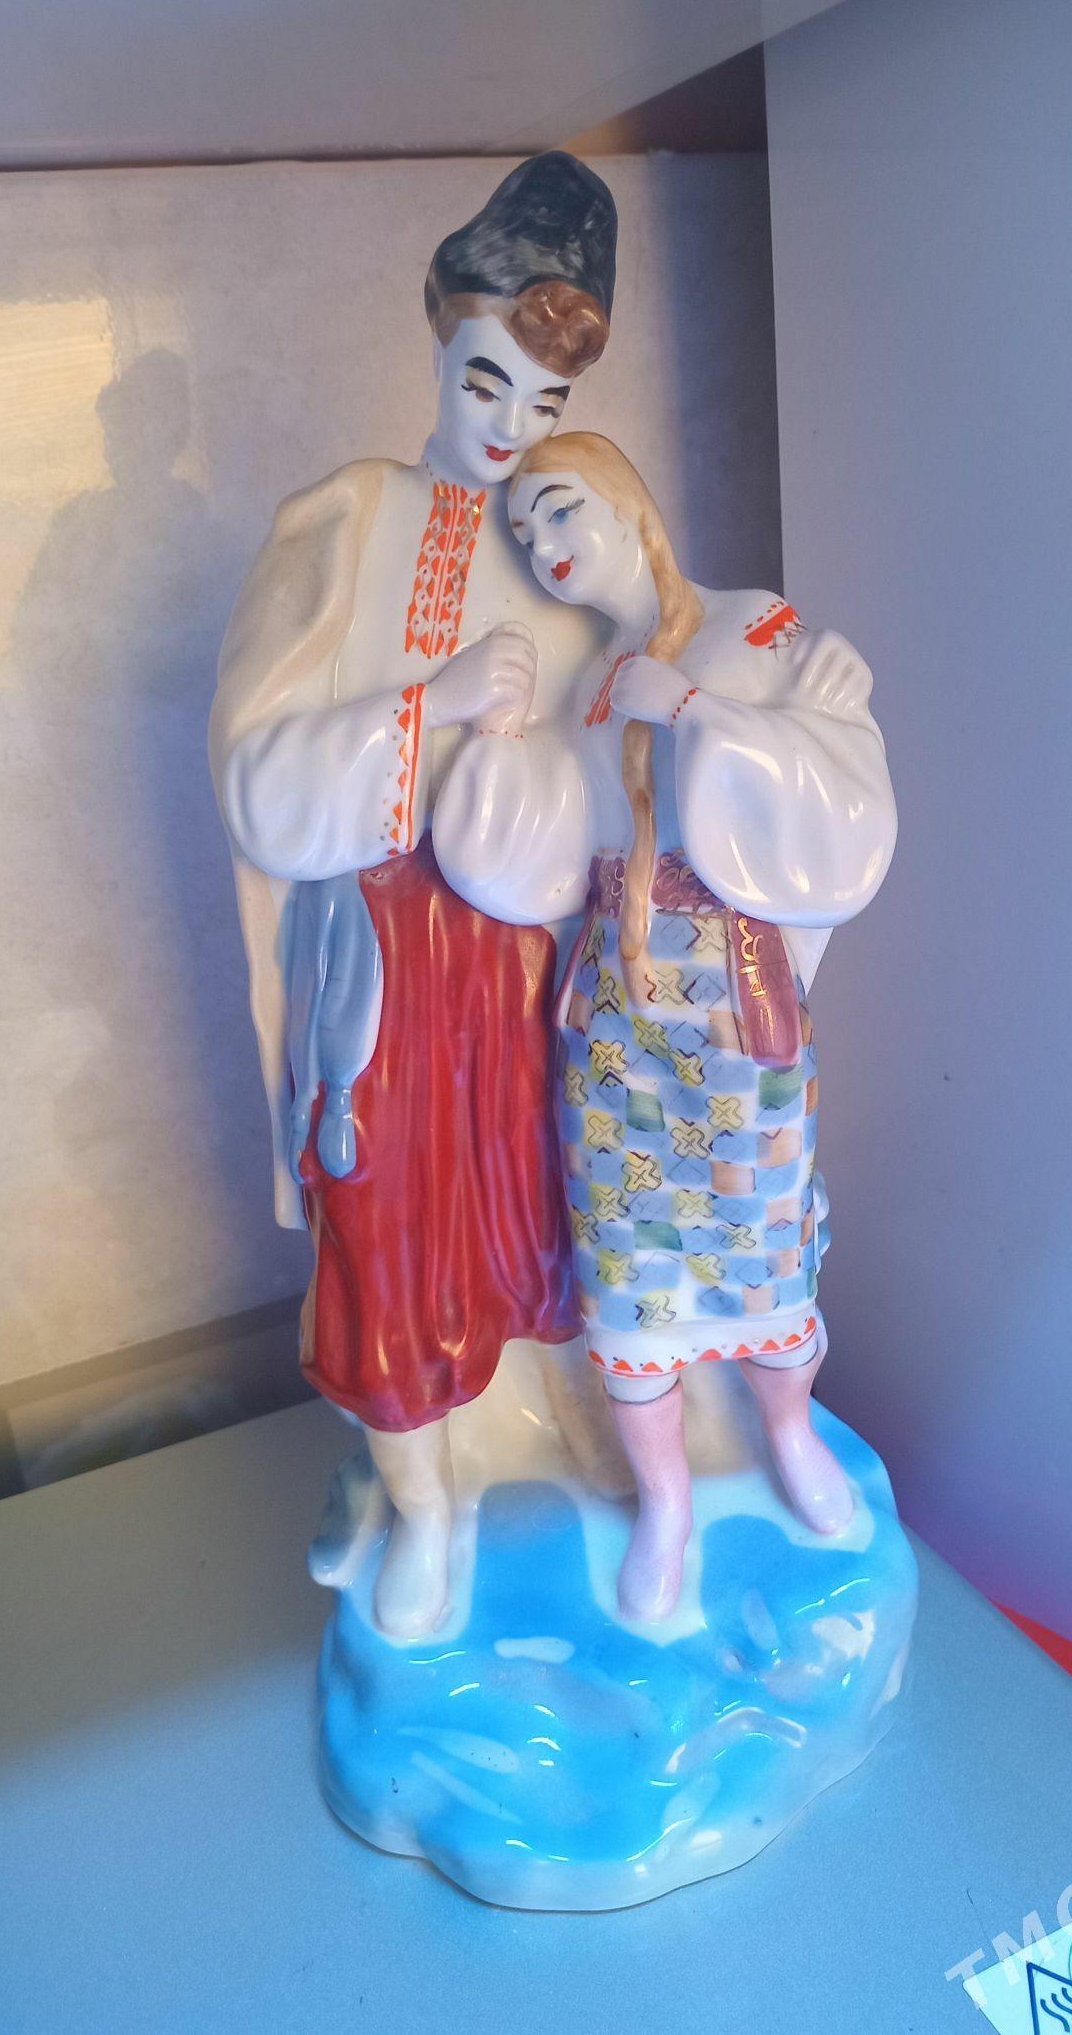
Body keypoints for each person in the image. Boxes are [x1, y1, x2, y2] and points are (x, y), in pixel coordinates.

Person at [209, 158, 618, 1639]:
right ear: (439, 343)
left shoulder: (569, 536)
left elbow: (624, 747)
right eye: (486, 381)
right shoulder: (344, 522)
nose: (508, 430)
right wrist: (427, 709)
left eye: (543, 405)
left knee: (543, 1221)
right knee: (382, 1230)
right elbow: (258, 778)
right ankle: (422, 1500)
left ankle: (560, 1456)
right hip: (376, 969)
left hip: (520, 973)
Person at [432, 432, 897, 1620]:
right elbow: (547, 848)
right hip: (615, 1016)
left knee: (764, 1230)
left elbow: (837, 774)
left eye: (560, 510)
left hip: (732, 1001)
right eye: (525, 531)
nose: (545, 545)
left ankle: (788, 1433)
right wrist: (495, 744)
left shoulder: (758, 627)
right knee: (628, 1258)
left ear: (626, 502)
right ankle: (667, 1499)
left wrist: (694, 707)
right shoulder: (587, 682)